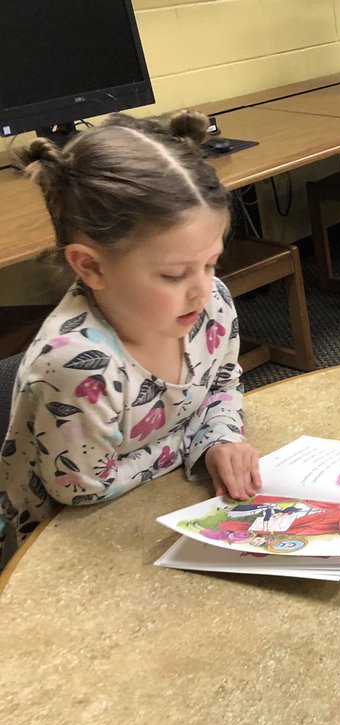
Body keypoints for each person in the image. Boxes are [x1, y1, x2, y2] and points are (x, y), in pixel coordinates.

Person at [0, 111, 261, 566]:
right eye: (174, 274)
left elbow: (223, 383)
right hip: (55, 551)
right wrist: (194, 444)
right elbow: (83, 488)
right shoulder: (77, 364)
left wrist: (219, 437)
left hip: (156, 505)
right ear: (92, 267)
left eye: (210, 262)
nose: (202, 287)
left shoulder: (209, 304)